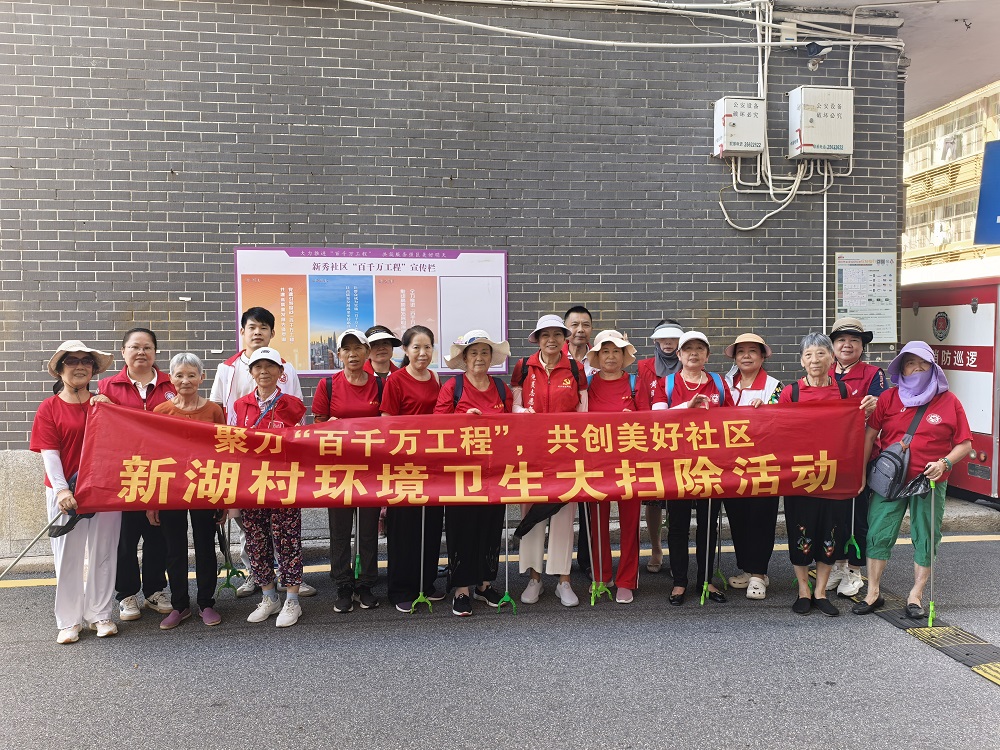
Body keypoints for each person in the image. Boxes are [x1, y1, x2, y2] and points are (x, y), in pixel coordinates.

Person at [853, 341, 972, 617]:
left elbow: (965, 444)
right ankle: (873, 593)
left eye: (923, 363)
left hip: (930, 480)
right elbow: (869, 436)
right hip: (889, 480)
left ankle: (916, 595)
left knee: (926, 536)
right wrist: (860, 473)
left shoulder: (949, 401)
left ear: (933, 368)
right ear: (902, 369)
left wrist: (944, 463)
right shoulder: (888, 398)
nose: (917, 368)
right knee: (878, 532)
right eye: (910, 363)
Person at [208, 306, 311, 599]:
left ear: (272, 333)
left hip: (280, 466)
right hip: (245, 463)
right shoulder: (227, 368)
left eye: (263, 327)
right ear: (242, 332)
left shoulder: (286, 368)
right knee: (251, 528)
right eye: (252, 327)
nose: (257, 332)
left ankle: (290, 579)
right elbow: (218, 411)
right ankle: (257, 575)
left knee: (284, 529)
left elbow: (297, 419)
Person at [31, 340, 120, 644]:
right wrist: (60, 490)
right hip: (66, 491)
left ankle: (101, 614)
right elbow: (50, 453)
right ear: (60, 369)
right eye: (72, 361)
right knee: (67, 554)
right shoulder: (49, 408)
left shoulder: (103, 404)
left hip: (104, 489)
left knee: (104, 551)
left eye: (86, 361)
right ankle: (69, 620)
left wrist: (111, 412)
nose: (80, 366)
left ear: (94, 369)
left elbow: (120, 443)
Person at [91, 327, 174, 622]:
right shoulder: (107, 387)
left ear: (155, 352)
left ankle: (155, 590)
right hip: (123, 475)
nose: (141, 352)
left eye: (147, 347)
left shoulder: (171, 385)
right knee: (125, 539)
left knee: (158, 536)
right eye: (135, 347)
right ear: (123, 352)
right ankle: (126, 594)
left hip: (162, 472)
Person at [512, 314, 588, 608]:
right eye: (546, 335)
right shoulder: (523, 367)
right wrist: (522, 414)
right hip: (532, 454)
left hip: (566, 453)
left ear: (564, 339)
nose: (552, 340)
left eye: (557, 334)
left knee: (563, 518)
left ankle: (563, 580)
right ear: (538, 339)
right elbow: (514, 405)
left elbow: (583, 412)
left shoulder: (575, 368)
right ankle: (535, 579)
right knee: (532, 514)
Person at [651, 331, 733, 606]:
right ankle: (679, 582)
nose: (693, 353)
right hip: (677, 465)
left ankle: (706, 580)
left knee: (708, 526)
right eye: (688, 349)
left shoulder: (719, 384)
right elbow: (656, 418)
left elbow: (735, 419)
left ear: (707, 355)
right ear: (679, 354)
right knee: (678, 526)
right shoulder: (666, 383)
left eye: (699, 349)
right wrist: (688, 406)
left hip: (712, 465)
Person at [435, 330, 513, 616]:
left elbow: (513, 427)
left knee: (490, 526)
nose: (479, 358)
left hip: (495, 471)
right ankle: (461, 588)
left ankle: (484, 584)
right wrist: (462, 420)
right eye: (474, 353)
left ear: (491, 358)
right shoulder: (452, 387)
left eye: (484, 352)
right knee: (462, 527)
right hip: (461, 473)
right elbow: (436, 426)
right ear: (464, 358)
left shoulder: (502, 388)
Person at [149, 353, 227, 628]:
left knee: (206, 546)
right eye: (179, 375)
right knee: (174, 548)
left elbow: (223, 453)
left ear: (202, 378)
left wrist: (224, 497)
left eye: (191, 375)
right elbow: (154, 456)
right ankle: (180, 605)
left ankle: (206, 603)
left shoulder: (214, 411)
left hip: (206, 486)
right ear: (170, 378)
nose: (185, 380)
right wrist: (152, 501)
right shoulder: (161, 411)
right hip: (171, 489)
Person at [233, 347, 308, 627]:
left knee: (288, 540)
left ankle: (292, 600)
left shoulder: (293, 405)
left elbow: (301, 443)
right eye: (258, 366)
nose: (263, 371)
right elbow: (231, 444)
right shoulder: (240, 406)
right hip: (251, 484)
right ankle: (268, 597)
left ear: (280, 372)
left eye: (270, 366)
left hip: (284, 483)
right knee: (256, 540)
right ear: (251, 372)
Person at [777, 333, 851, 617]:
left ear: (832, 358)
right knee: (801, 531)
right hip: (801, 475)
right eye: (808, 355)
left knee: (830, 531)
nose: (815, 360)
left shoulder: (844, 391)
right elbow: (777, 427)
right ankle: (803, 590)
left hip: (834, 474)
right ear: (801, 361)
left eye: (821, 353)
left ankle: (820, 591)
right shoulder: (791, 393)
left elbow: (853, 430)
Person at [312, 329, 383, 614]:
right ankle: (343, 585)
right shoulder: (328, 385)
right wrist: (329, 425)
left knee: (368, 531)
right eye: (347, 349)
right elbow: (317, 426)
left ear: (367, 353)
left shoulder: (380, 385)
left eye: (358, 348)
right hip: (338, 470)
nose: (352, 354)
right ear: (339, 354)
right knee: (339, 531)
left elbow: (389, 424)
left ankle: (365, 584)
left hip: (370, 470)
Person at [380, 325, 445, 613]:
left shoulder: (436, 378)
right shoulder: (395, 380)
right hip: (404, 464)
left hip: (432, 464)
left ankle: (426, 583)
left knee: (431, 524)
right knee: (404, 528)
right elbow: (386, 423)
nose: (422, 353)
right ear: (405, 350)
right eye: (416, 347)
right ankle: (401, 589)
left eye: (427, 347)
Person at [826, 317, 889, 598]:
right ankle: (838, 564)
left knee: (858, 514)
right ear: (833, 345)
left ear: (862, 346)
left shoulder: (873, 374)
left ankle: (854, 569)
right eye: (841, 340)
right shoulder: (824, 370)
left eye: (854, 340)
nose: (847, 345)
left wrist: (876, 404)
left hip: (861, 454)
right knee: (834, 514)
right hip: (829, 455)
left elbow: (882, 409)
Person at [722, 333, 783, 600]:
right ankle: (747, 568)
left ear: (762, 356)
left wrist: (766, 410)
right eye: (741, 352)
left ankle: (759, 573)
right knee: (738, 517)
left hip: (762, 464)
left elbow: (781, 420)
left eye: (752, 351)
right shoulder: (724, 384)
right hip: (730, 464)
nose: (746, 356)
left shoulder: (774, 386)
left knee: (761, 517)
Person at [584, 330, 642, 604]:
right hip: (596, 465)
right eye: (605, 351)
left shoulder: (635, 383)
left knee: (630, 523)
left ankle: (627, 580)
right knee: (597, 523)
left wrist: (635, 419)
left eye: (616, 351)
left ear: (623, 355)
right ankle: (600, 576)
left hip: (630, 464)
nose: (610, 356)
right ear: (597, 356)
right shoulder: (586, 384)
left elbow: (651, 422)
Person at [635, 320, 684, 574]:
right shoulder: (643, 366)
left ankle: (678, 553)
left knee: (677, 498)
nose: (667, 343)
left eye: (673, 338)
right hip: (652, 439)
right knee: (653, 500)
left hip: (682, 440)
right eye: (663, 338)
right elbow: (642, 402)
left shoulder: (689, 362)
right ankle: (656, 548)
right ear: (655, 341)